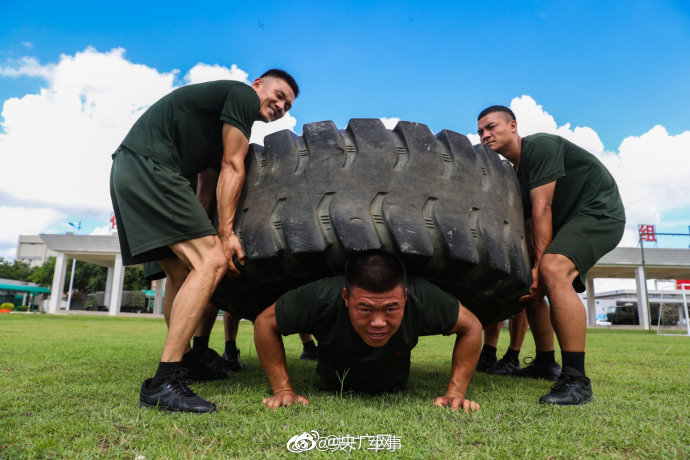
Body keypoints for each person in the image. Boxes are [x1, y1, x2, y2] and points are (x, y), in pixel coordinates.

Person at [110, 69, 299, 413]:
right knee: (211, 260)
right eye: (279, 94)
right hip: (152, 167)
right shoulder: (242, 95)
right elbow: (233, 165)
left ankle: (186, 361)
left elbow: (207, 190)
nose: (281, 105)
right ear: (258, 84)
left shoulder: (221, 129)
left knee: (181, 273)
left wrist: (199, 232)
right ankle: (163, 383)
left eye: (287, 104)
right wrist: (223, 237)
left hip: (133, 170)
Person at [477, 106, 625, 405]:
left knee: (553, 268)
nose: (485, 135)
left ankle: (576, 380)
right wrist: (530, 270)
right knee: (530, 285)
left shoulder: (540, 146)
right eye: (480, 131)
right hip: (568, 223)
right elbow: (529, 224)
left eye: (491, 127)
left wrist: (540, 265)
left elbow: (542, 208)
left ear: (513, 126)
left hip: (599, 212)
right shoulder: (515, 175)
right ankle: (545, 363)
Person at [253, 249, 483, 412]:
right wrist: (282, 389)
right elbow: (265, 322)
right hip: (331, 383)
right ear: (346, 297)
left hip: (395, 386)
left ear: (405, 296)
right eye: (365, 308)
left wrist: (455, 393)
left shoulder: (422, 297)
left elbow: (471, 325)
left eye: (391, 308)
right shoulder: (320, 296)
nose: (378, 323)